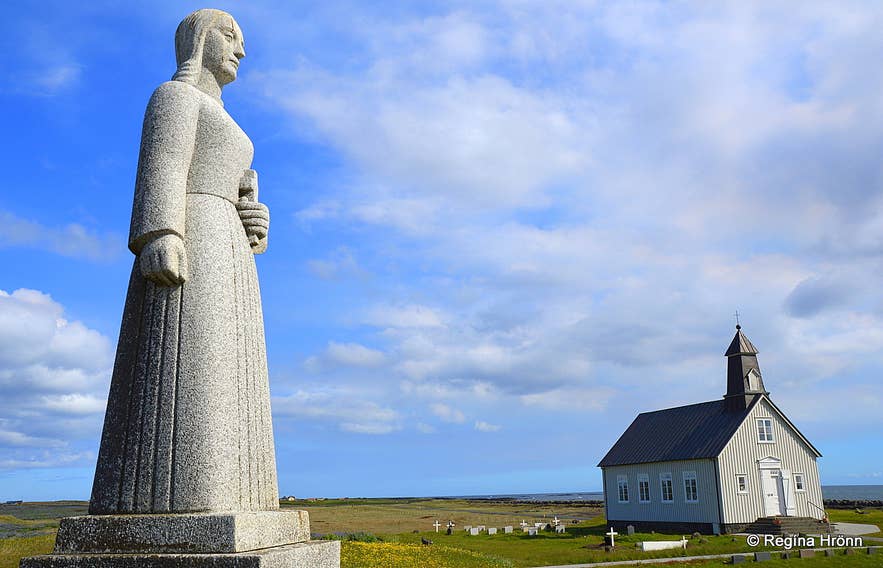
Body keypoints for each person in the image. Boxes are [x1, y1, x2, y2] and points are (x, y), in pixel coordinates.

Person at [89, 9, 278, 515]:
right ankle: (189, 499)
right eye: (230, 36)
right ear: (199, 40)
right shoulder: (174, 96)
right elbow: (163, 164)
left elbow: (236, 188)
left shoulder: (227, 118)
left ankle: (240, 496)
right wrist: (159, 231)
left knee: (229, 363)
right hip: (194, 232)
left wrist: (253, 217)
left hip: (230, 245)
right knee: (197, 358)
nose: (241, 49)